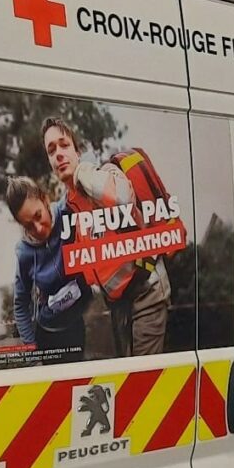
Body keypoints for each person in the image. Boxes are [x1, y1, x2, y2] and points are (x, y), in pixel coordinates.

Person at [41, 116, 170, 357]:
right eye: (51, 150)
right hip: (119, 305)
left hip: (147, 293)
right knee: (128, 374)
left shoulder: (105, 173)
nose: (58, 154)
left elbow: (121, 198)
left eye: (64, 145)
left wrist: (82, 170)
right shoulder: (72, 207)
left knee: (143, 376)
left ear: (78, 151)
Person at [4, 176, 89, 360]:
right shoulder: (24, 253)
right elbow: (20, 304)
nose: (39, 229)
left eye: (38, 216)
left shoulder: (67, 212)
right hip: (48, 334)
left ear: (45, 199)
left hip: (77, 325)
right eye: (28, 226)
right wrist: (31, 350)